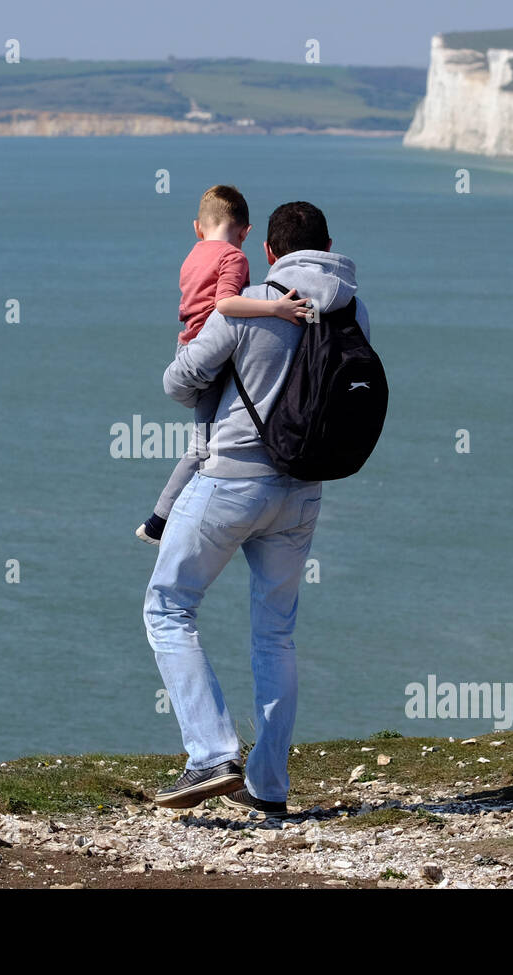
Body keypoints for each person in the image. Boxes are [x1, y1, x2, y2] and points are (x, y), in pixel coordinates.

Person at [144, 201, 370, 813]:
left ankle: (212, 752)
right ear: (328, 244)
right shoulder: (351, 307)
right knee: (275, 637)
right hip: (302, 490)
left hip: (230, 482)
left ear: (271, 252)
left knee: (168, 606)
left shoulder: (253, 300)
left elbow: (178, 379)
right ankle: (268, 786)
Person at [136, 185, 308, 545]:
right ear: (246, 232)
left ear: (197, 227)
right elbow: (227, 305)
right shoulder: (234, 257)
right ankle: (159, 521)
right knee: (202, 446)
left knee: (206, 441)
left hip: (186, 348)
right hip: (211, 358)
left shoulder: (193, 255)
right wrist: (276, 308)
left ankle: (166, 518)